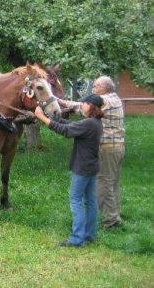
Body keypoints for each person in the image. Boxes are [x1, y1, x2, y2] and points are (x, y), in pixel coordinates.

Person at [35, 94, 104, 247]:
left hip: (82, 168)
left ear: (91, 106)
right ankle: (89, 235)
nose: (82, 105)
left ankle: (77, 239)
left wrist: (42, 117)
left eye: (84, 103)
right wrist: (53, 117)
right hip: (91, 166)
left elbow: (65, 131)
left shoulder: (89, 124)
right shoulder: (95, 123)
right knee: (90, 202)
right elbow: (69, 125)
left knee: (75, 200)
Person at [59, 76, 125, 229]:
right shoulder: (116, 98)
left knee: (104, 184)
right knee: (113, 182)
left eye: (95, 86)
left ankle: (111, 222)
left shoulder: (105, 101)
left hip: (107, 148)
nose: (93, 89)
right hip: (118, 147)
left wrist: (61, 102)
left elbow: (82, 106)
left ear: (104, 87)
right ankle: (114, 215)